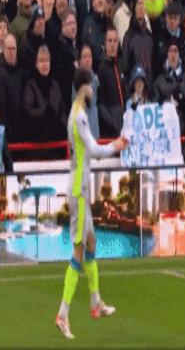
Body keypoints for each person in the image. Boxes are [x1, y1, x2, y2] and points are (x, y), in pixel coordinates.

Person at [55, 69, 129, 340]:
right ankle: (62, 314)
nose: (93, 90)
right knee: (78, 251)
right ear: (83, 87)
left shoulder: (77, 113)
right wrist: (116, 145)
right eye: (91, 86)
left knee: (91, 242)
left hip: (81, 188)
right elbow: (95, 150)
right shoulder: (79, 116)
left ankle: (96, 302)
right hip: (78, 190)